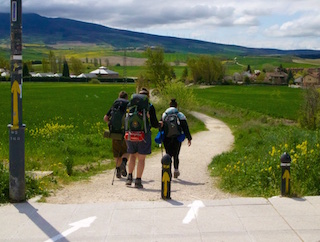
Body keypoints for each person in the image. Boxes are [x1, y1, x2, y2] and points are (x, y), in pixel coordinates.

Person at [125, 88, 159, 188]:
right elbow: (154, 123)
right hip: (143, 135)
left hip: (131, 134)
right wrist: (159, 125)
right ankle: (138, 181)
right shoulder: (149, 106)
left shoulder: (131, 106)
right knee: (141, 159)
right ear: (147, 96)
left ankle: (129, 177)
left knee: (132, 156)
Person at [160, 98, 192, 178]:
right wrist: (189, 138)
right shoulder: (180, 115)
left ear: (169, 105)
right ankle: (176, 170)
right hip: (177, 138)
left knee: (168, 154)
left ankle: (168, 171)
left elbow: (160, 127)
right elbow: (185, 127)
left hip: (167, 138)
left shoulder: (164, 114)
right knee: (176, 155)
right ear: (176, 106)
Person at [104, 91, 129, 179]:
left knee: (116, 153)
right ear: (126, 97)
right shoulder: (128, 105)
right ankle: (124, 163)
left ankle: (118, 170)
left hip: (114, 133)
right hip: (124, 132)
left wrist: (111, 123)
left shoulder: (114, 105)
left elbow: (105, 118)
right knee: (126, 151)